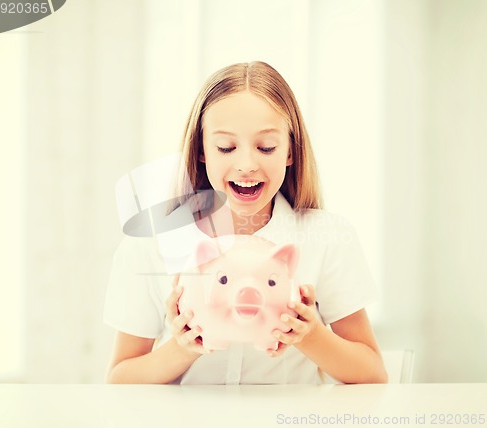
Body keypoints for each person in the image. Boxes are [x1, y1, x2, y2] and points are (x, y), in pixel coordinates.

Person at [104, 61, 388, 385]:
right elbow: (120, 378)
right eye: (226, 147)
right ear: (201, 151)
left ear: (290, 151)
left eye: (266, 147)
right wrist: (183, 347)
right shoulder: (150, 245)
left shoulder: (328, 239)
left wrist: (309, 335)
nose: (246, 164)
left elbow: (373, 372)